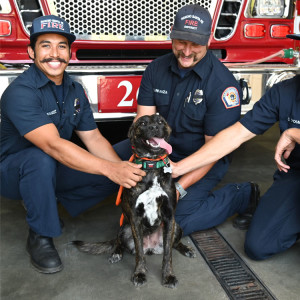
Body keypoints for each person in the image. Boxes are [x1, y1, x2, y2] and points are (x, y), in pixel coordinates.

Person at [0, 15, 145, 274]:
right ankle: (40, 234)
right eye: (45, 45)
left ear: (69, 52)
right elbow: (53, 146)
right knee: (39, 158)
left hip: (53, 169)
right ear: (31, 51)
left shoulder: (74, 89)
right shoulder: (20, 92)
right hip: (12, 174)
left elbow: (94, 138)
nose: (54, 54)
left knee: (127, 155)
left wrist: (121, 170)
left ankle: (49, 199)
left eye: (62, 46)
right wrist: (110, 170)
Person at [171, 33, 300, 261]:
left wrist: (295, 133)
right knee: (258, 246)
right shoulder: (285, 91)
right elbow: (236, 134)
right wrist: (178, 169)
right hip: (295, 174)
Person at [134, 4, 260, 236]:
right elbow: (142, 125)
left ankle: (243, 195)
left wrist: (177, 188)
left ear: (209, 40)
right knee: (109, 173)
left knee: (170, 226)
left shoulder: (222, 85)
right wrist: (139, 169)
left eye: (196, 44)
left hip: (203, 159)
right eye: (182, 41)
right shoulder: (155, 69)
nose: (187, 51)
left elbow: (214, 150)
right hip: (160, 152)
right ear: (172, 33)